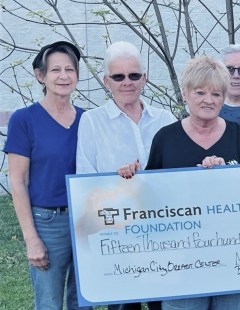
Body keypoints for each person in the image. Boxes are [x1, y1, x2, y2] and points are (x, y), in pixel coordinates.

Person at [119, 55, 240, 310]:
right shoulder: (166, 138)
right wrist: (131, 177)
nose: (209, 100)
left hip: (234, 261)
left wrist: (228, 177)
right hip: (181, 265)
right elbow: (151, 201)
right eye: (200, 92)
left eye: (216, 94)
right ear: (185, 93)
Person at [76, 41, 176, 310]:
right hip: (117, 235)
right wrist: (116, 179)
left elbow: (177, 173)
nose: (127, 82)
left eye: (134, 75)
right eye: (118, 76)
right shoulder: (91, 122)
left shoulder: (165, 119)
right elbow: (85, 179)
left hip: (163, 231)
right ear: (106, 81)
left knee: (163, 303)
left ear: (145, 77)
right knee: (123, 306)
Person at [3, 41, 91, 309]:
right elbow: (18, 181)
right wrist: (32, 239)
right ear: (40, 75)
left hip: (87, 222)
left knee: (84, 299)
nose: (63, 76)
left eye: (69, 69)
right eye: (55, 70)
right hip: (48, 222)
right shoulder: (24, 119)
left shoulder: (88, 120)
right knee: (50, 302)